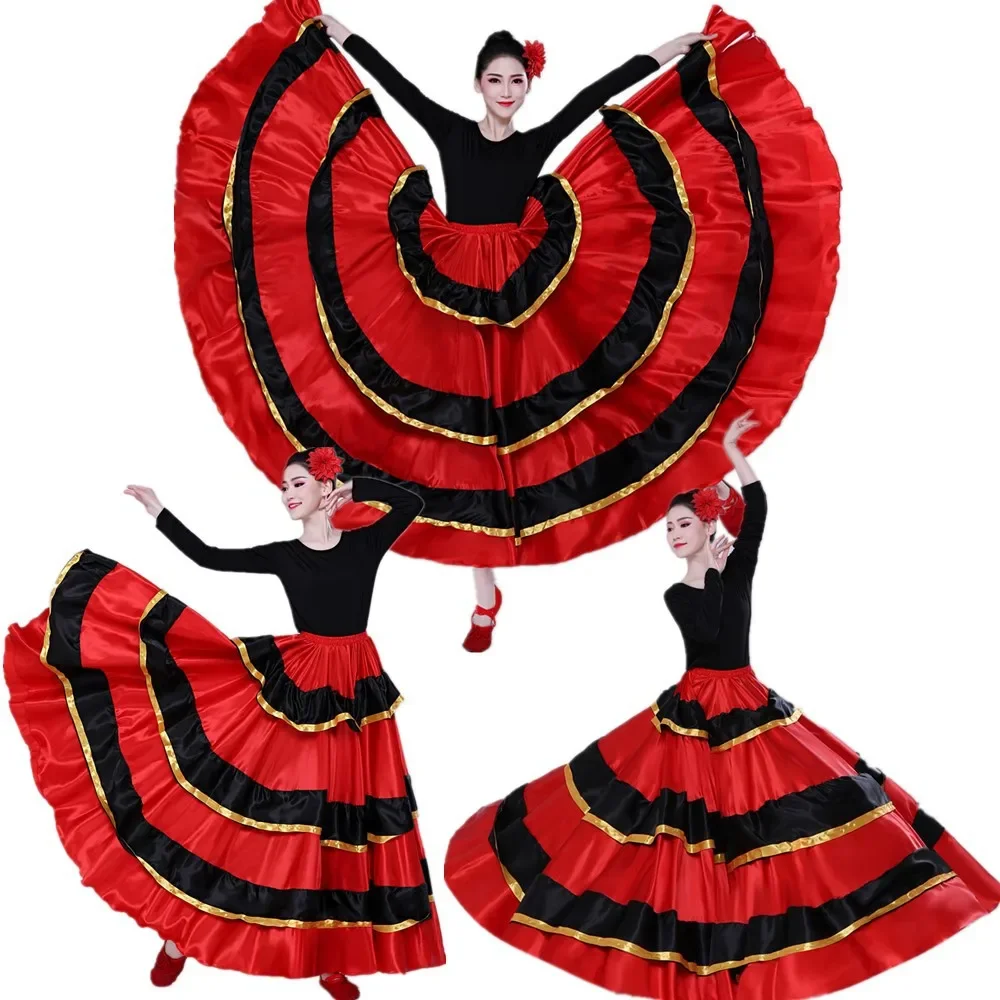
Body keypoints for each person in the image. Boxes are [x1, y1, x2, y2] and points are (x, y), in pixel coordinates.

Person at [175, 0, 841, 651]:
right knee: (463, 449)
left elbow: (600, 94)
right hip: (448, 291)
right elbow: (396, 86)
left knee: (552, 422)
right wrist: (338, 32)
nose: (504, 90)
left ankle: (525, 572)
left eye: (515, 80)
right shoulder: (452, 132)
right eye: (494, 79)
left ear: (527, 86)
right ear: (477, 85)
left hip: (527, 287)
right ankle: (484, 594)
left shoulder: (535, 140)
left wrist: (670, 51)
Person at [444, 412, 1000, 999]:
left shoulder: (736, 573)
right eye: (668, 527)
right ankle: (703, 948)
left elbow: (757, 514)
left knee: (808, 807)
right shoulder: (677, 591)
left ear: (708, 523)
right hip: (693, 710)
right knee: (679, 826)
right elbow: (708, 621)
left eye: (683, 523)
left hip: (749, 699)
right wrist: (709, 554)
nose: (673, 533)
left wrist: (735, 456)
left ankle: (798, 934)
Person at [4, 447, 444, 999]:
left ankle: (332, 956)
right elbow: (208, 557)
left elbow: (412, 502)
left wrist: (354, 487)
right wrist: (160, 511)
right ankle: (180, 937)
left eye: (297, 483)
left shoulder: (364, 543)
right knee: (252, 814)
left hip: (357, 687)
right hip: (301, 684)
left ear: (324, 487)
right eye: (283, 487)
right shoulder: (287, 556)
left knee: (342, 823)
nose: (287, 494)